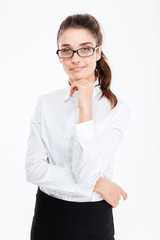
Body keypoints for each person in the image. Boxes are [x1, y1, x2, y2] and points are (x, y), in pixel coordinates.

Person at [25, 13, 131, 240]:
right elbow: (33, 170)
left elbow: (87, 176)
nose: (75, 58)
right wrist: (99, 184)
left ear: (98, 52)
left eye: (85, 49)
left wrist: (86, 110)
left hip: (92, 219)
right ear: (60, 55)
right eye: (66, 50)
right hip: (48, 215)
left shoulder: (117, 108)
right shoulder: (46, 103)